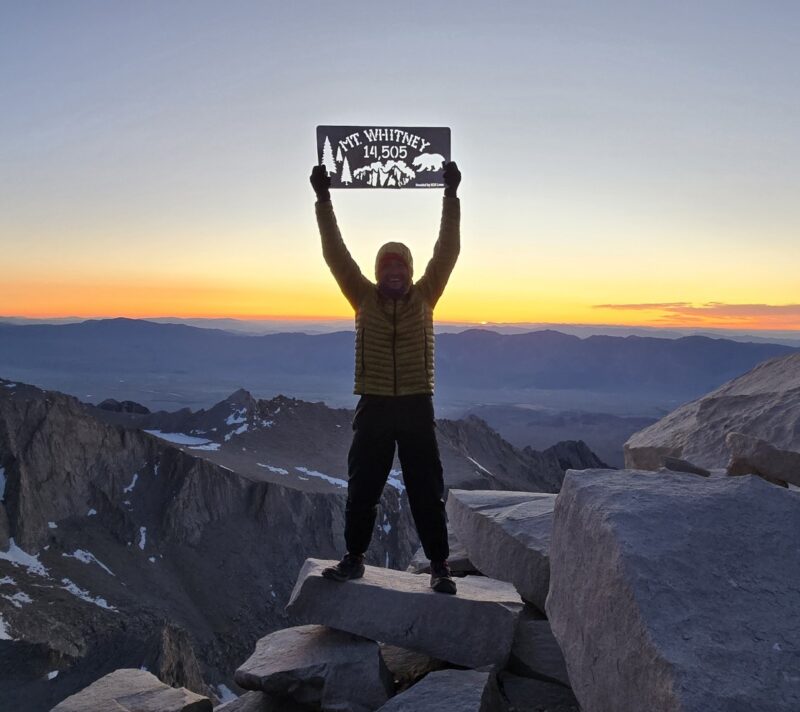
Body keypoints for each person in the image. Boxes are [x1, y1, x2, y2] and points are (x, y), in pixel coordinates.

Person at [309, 160, 461, 594]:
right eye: (387, 268)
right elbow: (335, 253)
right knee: (363, 486)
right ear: (378, 273)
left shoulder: (426, 295)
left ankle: (440, 567)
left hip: (415, 404)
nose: (394, 274)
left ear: (409, 271)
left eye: (400, 268)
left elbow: (446, 251)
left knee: (426, 489)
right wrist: (323, 199)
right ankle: (354, 558)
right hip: (374, 402)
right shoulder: (362, 296)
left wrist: (451, 196)